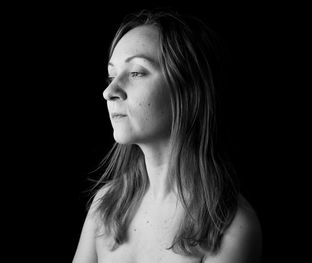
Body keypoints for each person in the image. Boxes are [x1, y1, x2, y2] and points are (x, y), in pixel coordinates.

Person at [73, 8, 262, 263]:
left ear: (187, 90)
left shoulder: (230, 230)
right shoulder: (105, 207)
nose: (109, 92)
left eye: (136, 72)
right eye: (111, 75)